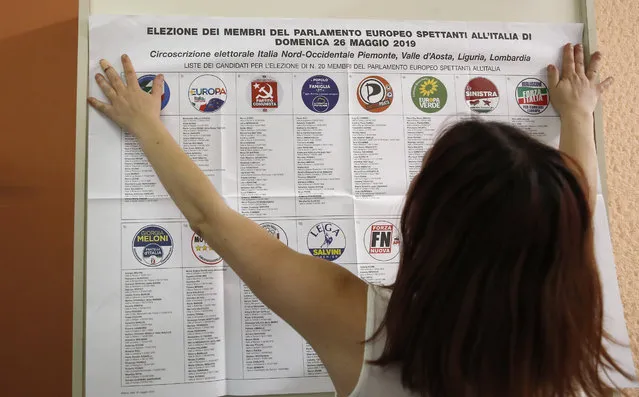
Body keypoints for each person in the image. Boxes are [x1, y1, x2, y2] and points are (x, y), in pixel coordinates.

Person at [88, 43, 635, 396]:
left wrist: (146, 125)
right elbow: (572, 214)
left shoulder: (365, 326)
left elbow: (212, 221)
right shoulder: (585, 337)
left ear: (428, 224)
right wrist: (579, 117)